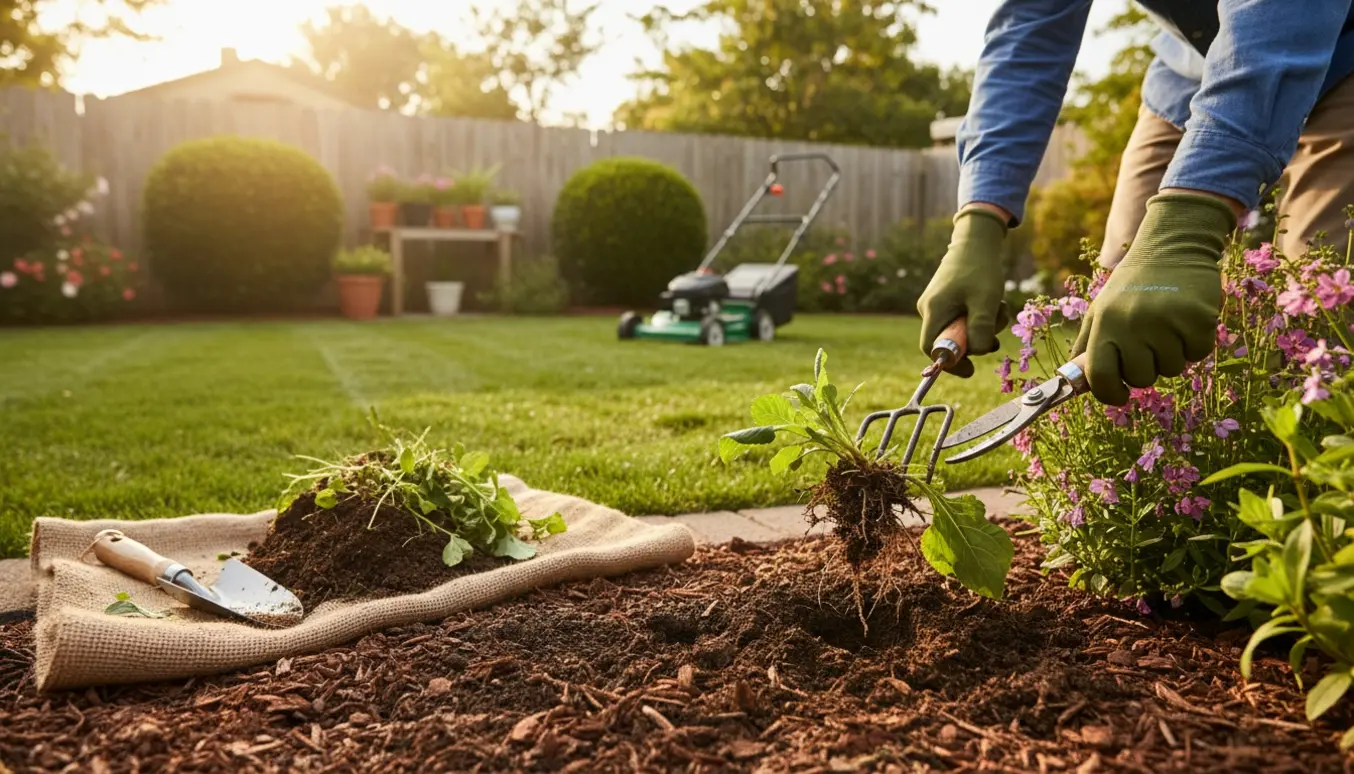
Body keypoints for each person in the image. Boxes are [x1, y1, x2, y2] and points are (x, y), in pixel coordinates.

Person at [916, 1, 1354, 406]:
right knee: (1117, 313)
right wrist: (979, 221)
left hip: (1340, 53)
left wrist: (1185, 224)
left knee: (1320, 313)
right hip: (1193, 70)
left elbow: (1280, 17)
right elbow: (1029, 34)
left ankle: (1309, 477)